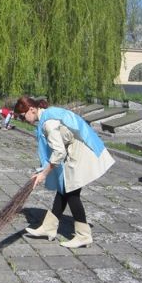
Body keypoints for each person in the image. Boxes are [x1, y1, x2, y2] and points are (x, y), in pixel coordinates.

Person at [14, 95, 115, 248]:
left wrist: (44, 174)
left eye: (22, 116)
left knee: (72, 193)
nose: (22, 119)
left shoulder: (48, 123)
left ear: (32, 109)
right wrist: (41, 170)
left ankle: (83, 235)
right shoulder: (47, 115)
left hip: (82, 151)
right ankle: (49, 227)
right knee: (63, 190)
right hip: (74, 149)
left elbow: (58, 152)